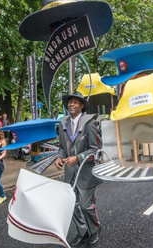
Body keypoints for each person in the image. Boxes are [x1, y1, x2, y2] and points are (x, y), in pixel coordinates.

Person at [54, 92, 103, 247]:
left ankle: (95, 230)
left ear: (82, 106)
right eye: (70, 102)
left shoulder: (90, 123)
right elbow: (62, 147)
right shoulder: (63, 123)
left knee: (85, 206)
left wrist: (78, 158)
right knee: (71, 205)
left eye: (76, 102)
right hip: (70, 173)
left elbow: (96, 149)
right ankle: (83, 232)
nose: (72, 104)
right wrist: (59, 156)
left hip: (86, 172)